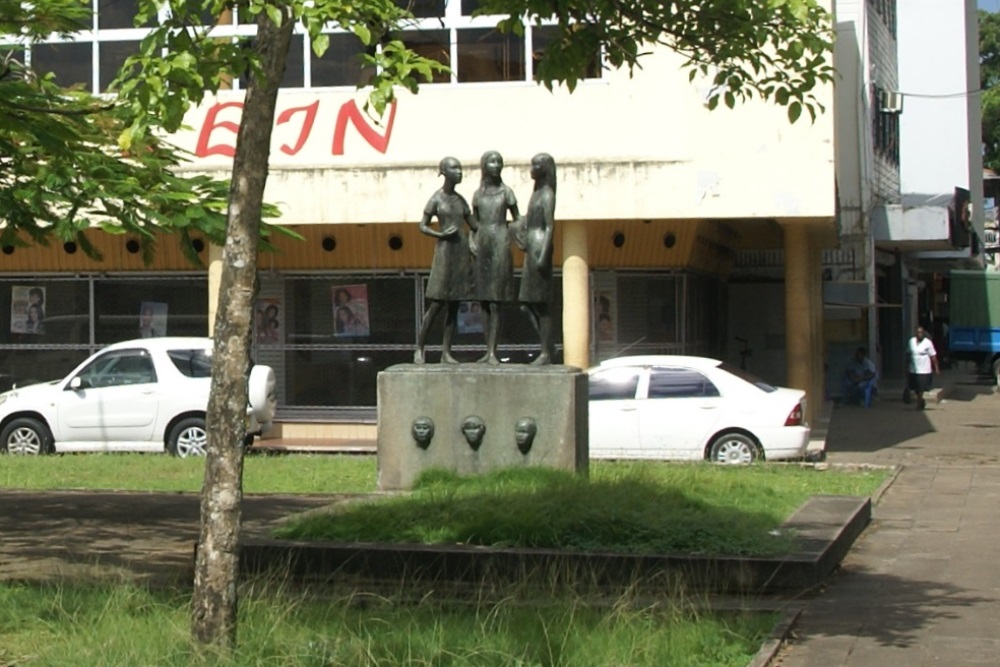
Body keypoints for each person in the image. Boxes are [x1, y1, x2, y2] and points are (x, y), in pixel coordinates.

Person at [414, 157, 476, 364]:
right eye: (454, 168)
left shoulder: (460, 200)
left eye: (460, 168)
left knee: (454, 305)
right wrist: (439, 235)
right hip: (443, 254)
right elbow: (422, 226)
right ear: (444, 172)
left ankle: (446, 352)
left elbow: (474, 225)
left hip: (460, 253)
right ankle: (420, 348)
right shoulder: (437, 199)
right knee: (437, 304)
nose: (459, 172)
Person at [471, 150, 519, 365]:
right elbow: (474, 223)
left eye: (499, 162)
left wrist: (511, 237)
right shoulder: (478, 195)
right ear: (484, 166)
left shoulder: (506, 193)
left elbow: (517, 220)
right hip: (482, 245)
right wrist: (471, 240)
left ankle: (493, 351)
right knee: (483, 299)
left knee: (496, 300)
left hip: (499, 242)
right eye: (492, 161)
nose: (496, 165)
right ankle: (486, 349)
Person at [517, 153, 557, 365]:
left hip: (539, 247)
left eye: (536, 164)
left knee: (541, 305)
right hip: (531, 247)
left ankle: (545, 351)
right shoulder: (536, 193)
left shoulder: (547, 194)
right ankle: (547, 344)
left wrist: (543, 253)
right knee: (525, 304)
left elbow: (550, 225)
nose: (532, 168)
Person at [907, 325, 940, 411]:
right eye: (918, 332)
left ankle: (918, 405)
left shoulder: (928, 343)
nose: (920, 334)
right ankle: (921, 400)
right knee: (916, 389)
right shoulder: (911, 341)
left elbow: (933, 356)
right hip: (913, 369)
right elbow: (908, 354)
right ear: (915, 333)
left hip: (924, 370)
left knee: (921, 388)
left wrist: (936, 368)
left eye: (921, 332)